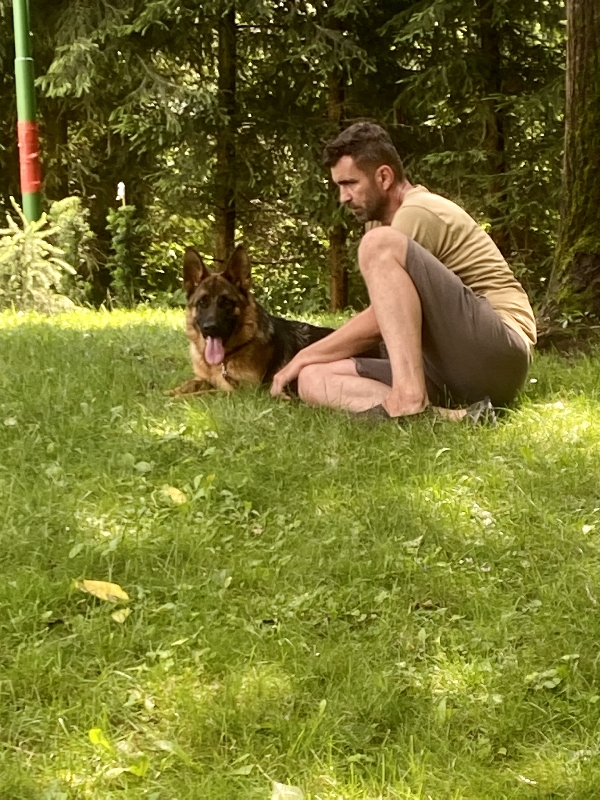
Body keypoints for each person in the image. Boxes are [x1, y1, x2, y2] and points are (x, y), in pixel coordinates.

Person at [270, 122, 536, 419]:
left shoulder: (416, 211)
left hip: (499, 351)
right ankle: (452, 418)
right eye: (339, 186)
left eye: (350, 183)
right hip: (448, 366)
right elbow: (393, 316)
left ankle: (409, 399)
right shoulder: (382, 224)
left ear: (384, 177)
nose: (343, 197)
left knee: (377, 244)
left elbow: (378, 321)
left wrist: (303, 355)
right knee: (312, 379)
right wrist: (307, 365)